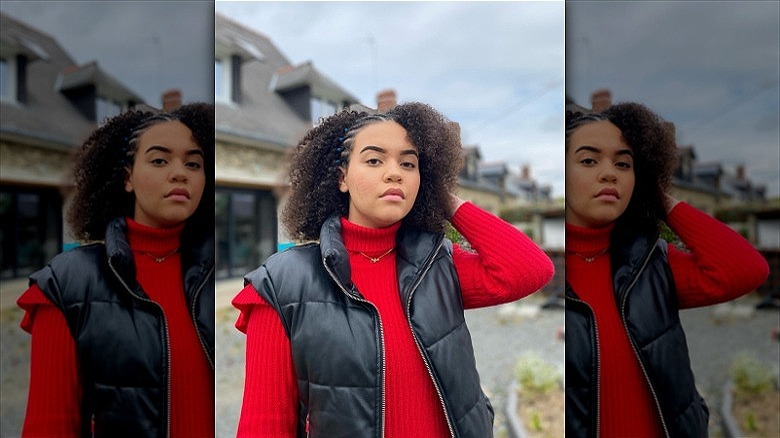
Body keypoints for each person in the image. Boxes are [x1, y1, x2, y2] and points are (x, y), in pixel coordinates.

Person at [233, 102, 555, 437]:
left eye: (408, 163)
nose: (394, 172)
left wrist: (444, 200)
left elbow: (529, 269)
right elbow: (264, 426)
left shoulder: (440, 263)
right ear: (342, 177)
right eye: (374, 160)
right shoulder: (282, 283)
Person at [564, 102, 770, 437]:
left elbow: (746, 269)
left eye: (624, 163)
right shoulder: (551, 270)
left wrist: (656, 198)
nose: (610, 172)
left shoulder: (651, 262)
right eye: (589, 160)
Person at [17, 103, 215, 437]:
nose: (180, 172)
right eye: (159, 160)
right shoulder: (65, 284)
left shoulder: (216, 274)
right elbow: (49, 426)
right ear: (127, 178)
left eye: (193, 163)